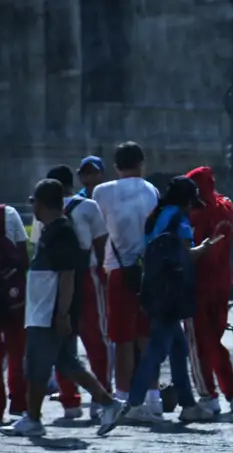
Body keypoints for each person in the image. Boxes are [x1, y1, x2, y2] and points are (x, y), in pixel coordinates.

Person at [0, 179, 123, 437]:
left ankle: (33, 418)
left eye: (35, 202)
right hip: (46, 311)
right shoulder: (51, 230)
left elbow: (67, 275)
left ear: (43, 204)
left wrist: (63, 314)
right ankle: (109, 403)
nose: (33, 207)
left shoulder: (62, 233)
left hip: (49, 313)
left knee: (36, 365)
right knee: (66, 363)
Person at [121, 176, 218, 424]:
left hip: (152, 288)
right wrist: (205, 247)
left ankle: (187, 404)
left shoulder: (155, 216)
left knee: (178, 349)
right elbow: (186, 256)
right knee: (156, 350)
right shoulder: (180, 221)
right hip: (171, 293)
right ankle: (133, 403)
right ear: (185, 201)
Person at [93, 142, 163, 415]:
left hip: (119, 268)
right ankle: (154, 395)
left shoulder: (103, 191)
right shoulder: (152, 190)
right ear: (142, 163)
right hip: (148, 270)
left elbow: (98, 229)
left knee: (122, 338)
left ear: (116, 166)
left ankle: (121, 395)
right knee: (146, 336)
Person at [38, 165, 113, 421]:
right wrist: (100, 267)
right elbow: (102, 240)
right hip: (87, 277)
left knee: (61, 341)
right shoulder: (88, 206)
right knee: (96, 341)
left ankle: (70, 400)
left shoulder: (45, 211)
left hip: (56, 281)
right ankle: (101, 399)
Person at [184, 166, 233, 414]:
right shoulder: (226, 205)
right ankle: (232, 392)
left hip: (198, 282)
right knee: (214, 340)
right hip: (222, 281)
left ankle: (208, 394)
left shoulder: (195, 212)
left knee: (198, 342)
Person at [0, 203, 29, 423]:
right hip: (10, 291)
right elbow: (23, 257)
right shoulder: (7, 213)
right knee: (18, 349)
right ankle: (20, 402)